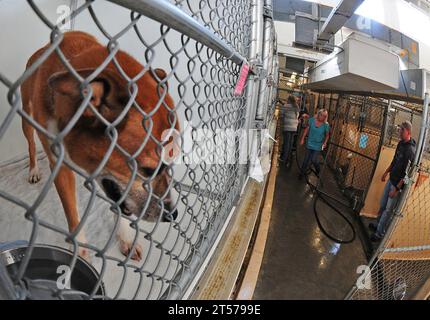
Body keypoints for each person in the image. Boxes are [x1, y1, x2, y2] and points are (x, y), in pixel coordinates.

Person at [369, 121, 416, 242]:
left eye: (402, 130)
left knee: (388, 210)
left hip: (397, 185)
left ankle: (379, 233)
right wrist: (386, 172)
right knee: (383, 204)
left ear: (408, 132)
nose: (399, 132)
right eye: (399, 129)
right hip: (392, 179)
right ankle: (377, 225)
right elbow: (394, 161)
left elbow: (408, 174)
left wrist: (396, 189)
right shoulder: (401, 144)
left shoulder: (410, 150)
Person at [299, 109, 330, 179]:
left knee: (313, 159)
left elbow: (327, 135)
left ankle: (318, 169)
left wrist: (325, 143)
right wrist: (302, 139)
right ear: (318, 114)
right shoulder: (312, 120)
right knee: (306, 159)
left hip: (318, 145)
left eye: (324, 116)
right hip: (310, 142)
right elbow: (307, 129)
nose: (322, 117)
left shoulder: (326, 125)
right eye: (321, 115)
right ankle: (302, 173)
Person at [279, 96, 299, 166]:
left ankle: (283, 158)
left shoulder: (285, 106)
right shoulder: (296, 107)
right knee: (290, 143)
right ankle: (288, 158)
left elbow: (281, 115)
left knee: (286, 143)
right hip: (294, 128)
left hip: (287, 127)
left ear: (289, 100)